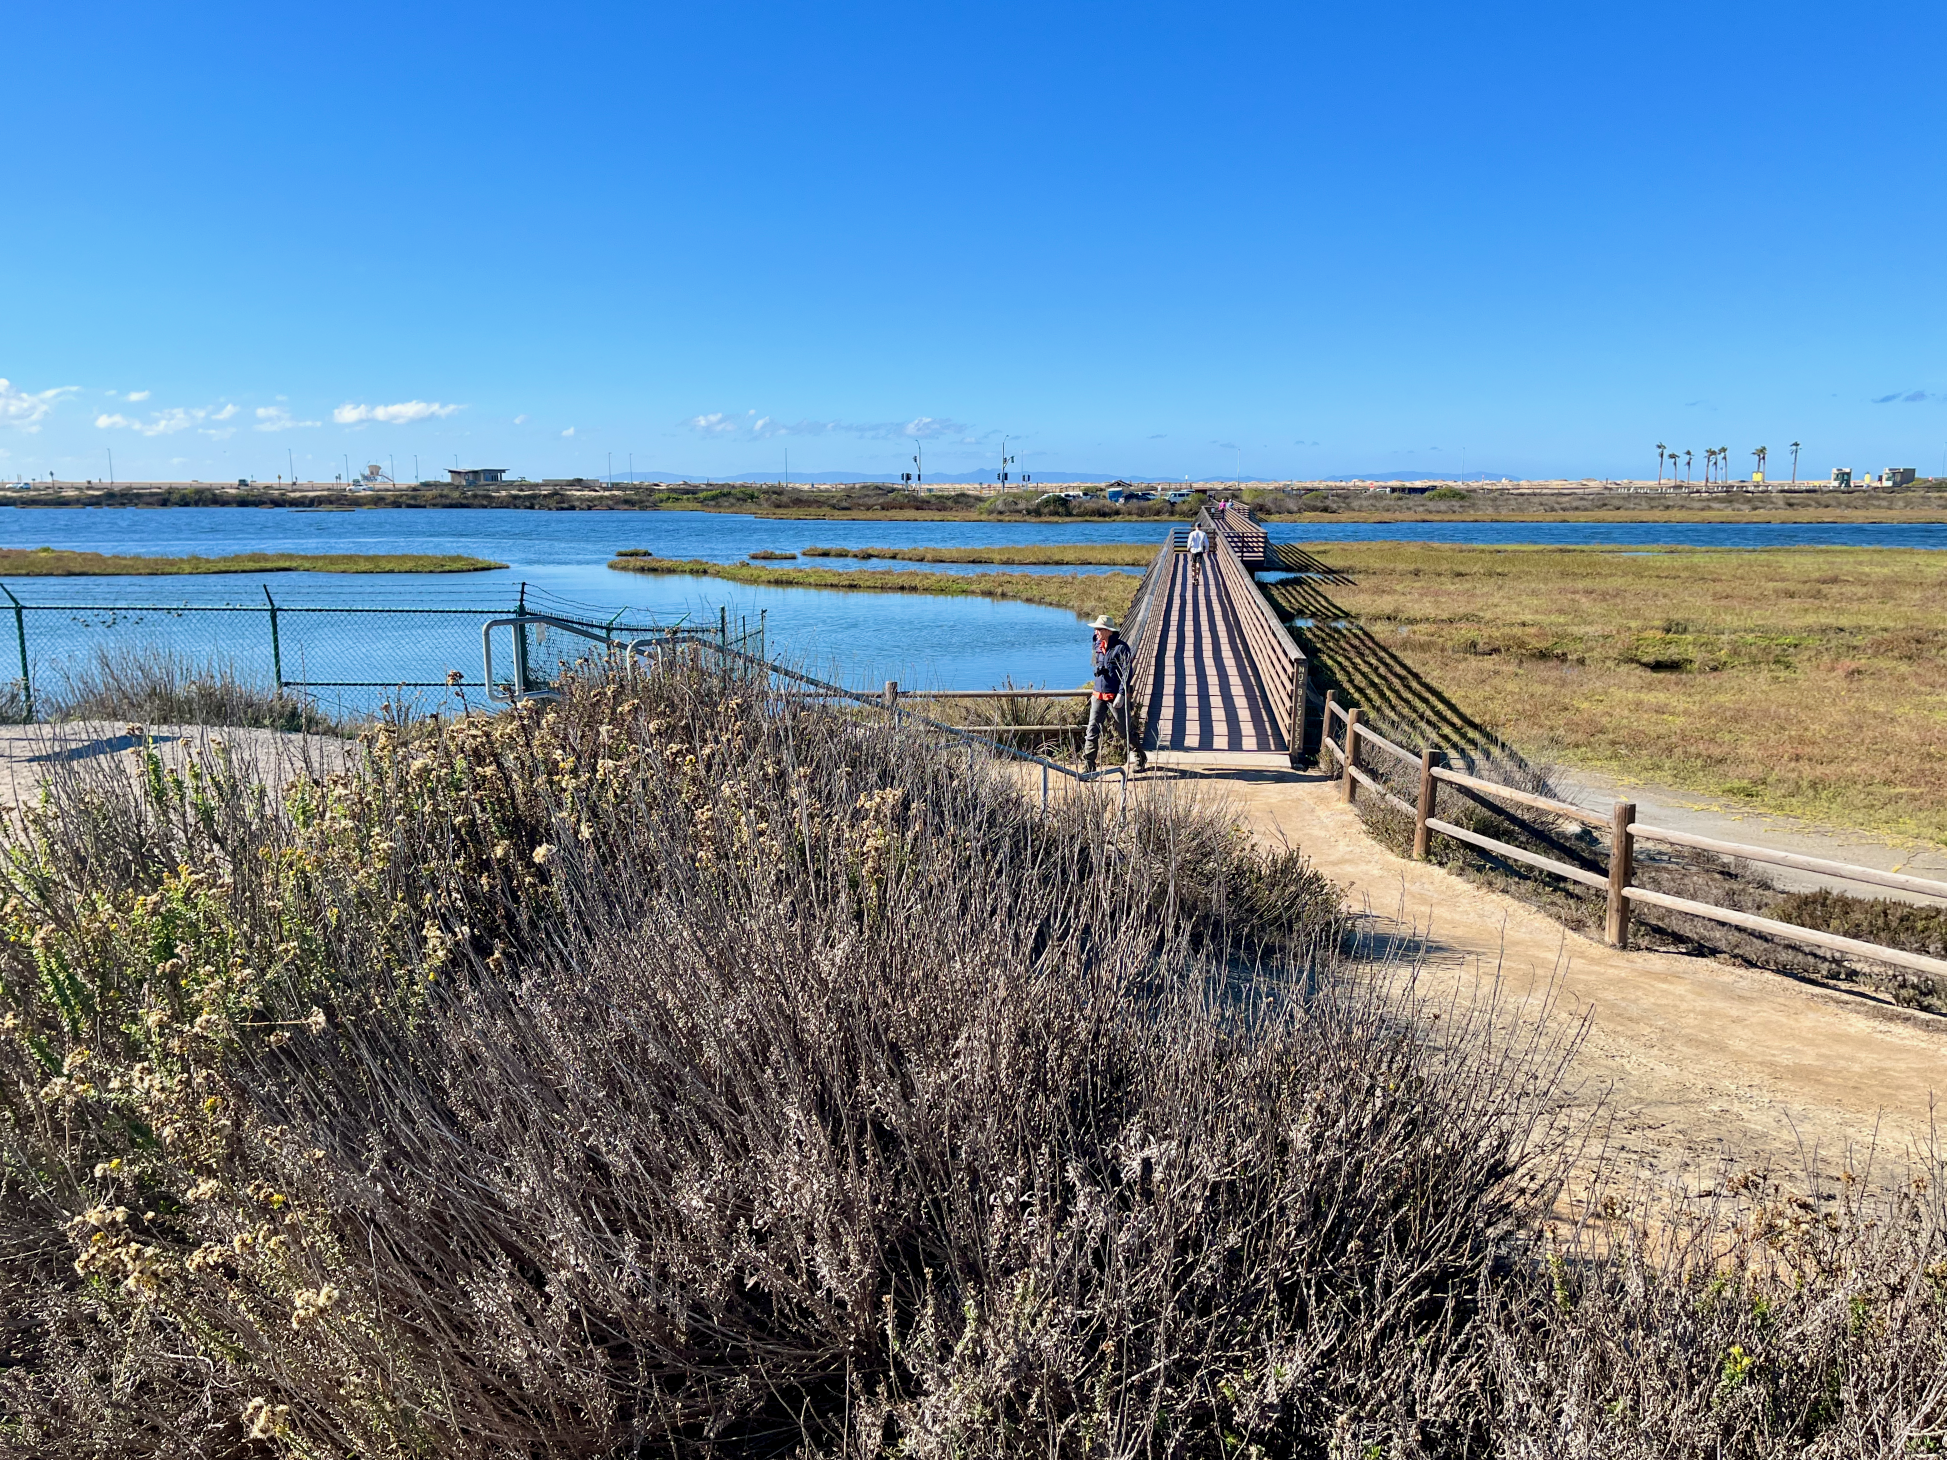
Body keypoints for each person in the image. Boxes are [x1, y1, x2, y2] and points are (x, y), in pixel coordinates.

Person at [1081, 615, 1146, 773]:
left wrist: (1121, 694)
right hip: (1098, 695)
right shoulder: (1097, 645)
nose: (1096, 631)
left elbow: (1126, 673)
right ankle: (1088, 766)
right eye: (1096, 629)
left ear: (1109, 631)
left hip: (1114, 696)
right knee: (1092, 730)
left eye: (1099, 629)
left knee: (1124, 731)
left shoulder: (1121, 648)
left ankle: (1140, 756)